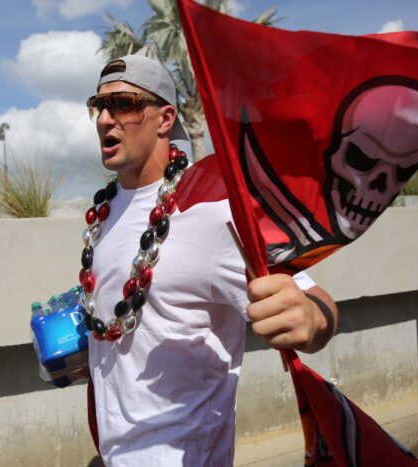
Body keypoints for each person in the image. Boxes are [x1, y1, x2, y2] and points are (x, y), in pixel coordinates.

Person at [81, 54, 338, 466]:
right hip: (113, 453)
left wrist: (312, 320)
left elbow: (319, 305)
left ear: (165, 120)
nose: (105, 119)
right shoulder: (104, 213)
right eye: (99, 105)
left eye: (124, 104)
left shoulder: (210, 210)